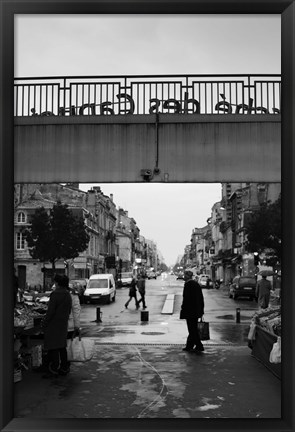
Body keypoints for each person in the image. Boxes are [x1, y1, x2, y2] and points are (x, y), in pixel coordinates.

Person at [41, 274, 72, 378]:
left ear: (58, 283)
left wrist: (45, 323)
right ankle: (64, 367)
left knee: (53, 346)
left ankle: (54, 368)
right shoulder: (67, 294)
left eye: (55, 282)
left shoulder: (55, 294)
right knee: (62, 346)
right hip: (63, 323)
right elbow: (68, 310)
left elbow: (50, 312)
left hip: (53, 324)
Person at [180, 270, 205, 353]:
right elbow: (201, 298)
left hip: (190, 311)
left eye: (184, 275)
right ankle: (189, 345)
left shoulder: (188, 284)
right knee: (192, 329)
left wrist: (183, 308)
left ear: (187, 276)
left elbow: (186, 298)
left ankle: (199, 345)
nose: (183, 276)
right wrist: (201, 310)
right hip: (196, 310)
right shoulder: (196, 284)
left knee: (192, 329)